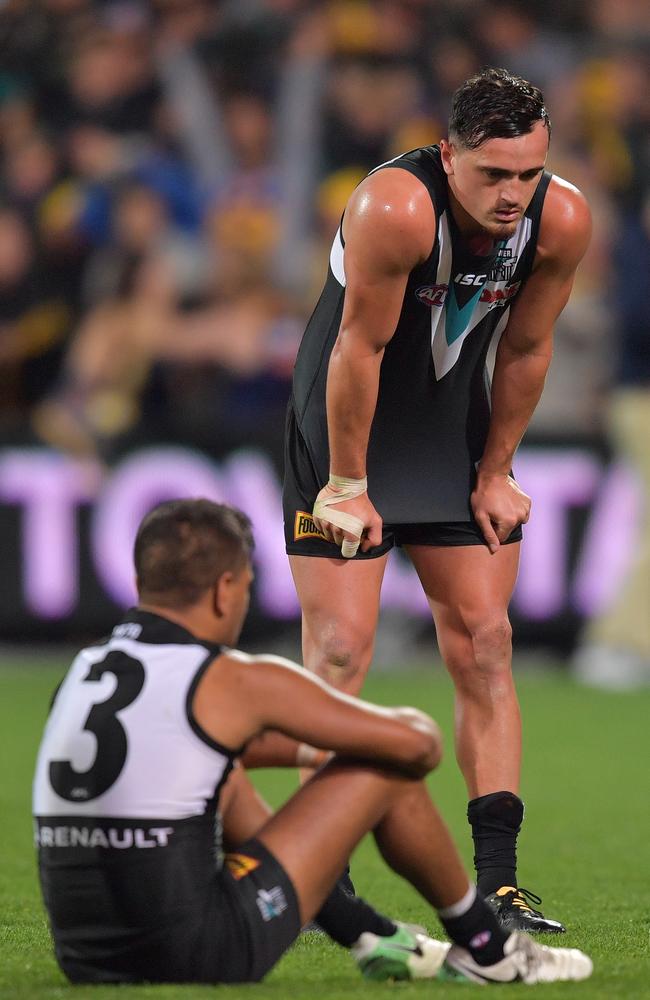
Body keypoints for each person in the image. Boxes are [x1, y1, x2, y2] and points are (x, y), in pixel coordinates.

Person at [32, 498, 592, 986]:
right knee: (383, 763)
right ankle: (489, 951)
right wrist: (313, 748)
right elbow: (418, 744)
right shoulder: (233, 679)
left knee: (215, 774)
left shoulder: (83, 670)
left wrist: (243, 749)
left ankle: (379, 939)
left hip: (84, 958)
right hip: (196, 952)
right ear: (226, 590)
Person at [283, 68, 592, 932]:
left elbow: (527, 350)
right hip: (347, 426)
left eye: (528, 174)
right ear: (448, 154)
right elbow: (359, 348)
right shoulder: (395, 207)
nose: (513, 195)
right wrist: (346, 484)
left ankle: (500, 883)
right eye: (494, 175)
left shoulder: (560, 219)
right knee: (342, 650)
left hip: (450, 433)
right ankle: (315, 877)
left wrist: (496, 472)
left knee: (488, 643)